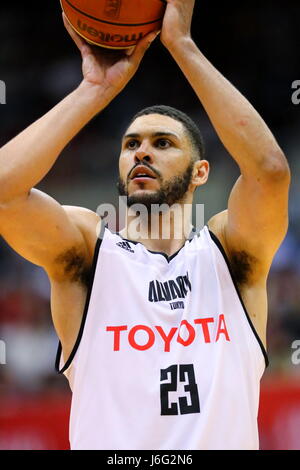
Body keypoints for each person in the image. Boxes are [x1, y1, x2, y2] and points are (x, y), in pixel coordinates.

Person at [0, 0, 290, 450]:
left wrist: (184, 46)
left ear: (200, 172)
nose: (141, 152)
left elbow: (269, 172)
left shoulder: (231, 253)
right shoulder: (87, 253)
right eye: (131, 143)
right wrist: (94, 89)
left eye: (163, 142)